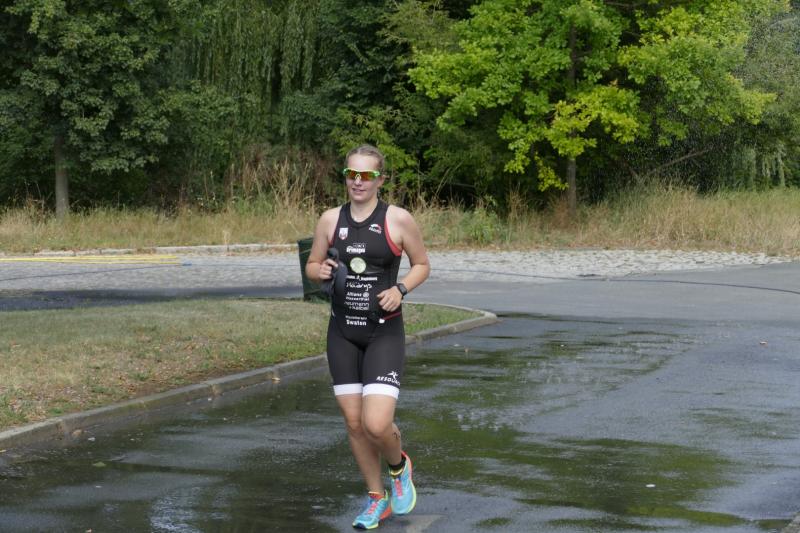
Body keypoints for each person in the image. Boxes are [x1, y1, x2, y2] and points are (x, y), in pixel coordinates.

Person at [305, 144, 430, 529]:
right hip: (342, 332)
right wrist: (319, 271)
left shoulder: (398, 219)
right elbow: (311, 265)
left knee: (376, 424)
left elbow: (422, 264)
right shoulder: (330, 219)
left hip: (383, 332)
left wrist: (401, 289)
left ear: (380, 179)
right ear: (345, 176)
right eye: (351, 174)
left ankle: (399, 466)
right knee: (355, 423)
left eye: (366, 175)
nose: (357, 182)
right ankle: (377, 499)